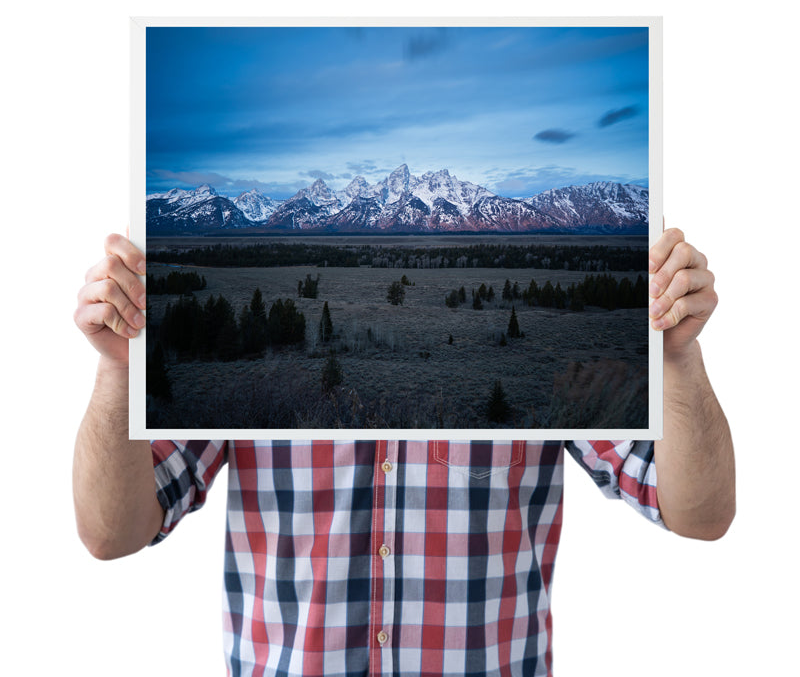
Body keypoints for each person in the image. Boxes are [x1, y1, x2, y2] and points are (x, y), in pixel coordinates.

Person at [73, 228, 735, 677]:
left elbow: (699, 512)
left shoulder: (569, 373)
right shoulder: (228, 381)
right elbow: (111, 531)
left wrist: (677, 358)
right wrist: (118, 372)